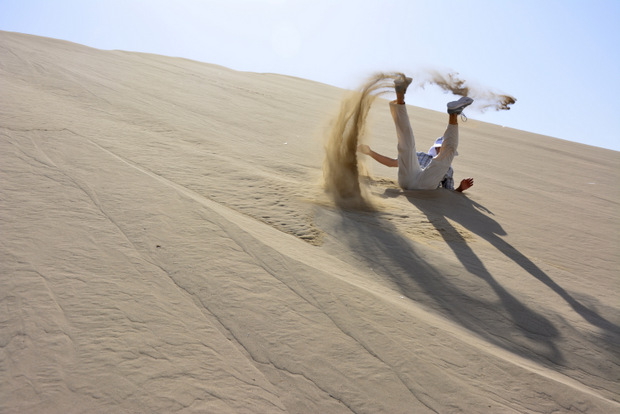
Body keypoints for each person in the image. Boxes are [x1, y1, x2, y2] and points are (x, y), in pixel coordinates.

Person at [358, 75, 475, 192]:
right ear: (435, 148)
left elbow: (449, 193)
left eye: (442, 147)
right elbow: (392, 163)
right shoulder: (420, 155)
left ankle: (453, 113)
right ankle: (400, 94)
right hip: (407, 179)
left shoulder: (447, 168)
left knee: (448, 155)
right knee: (407, 144)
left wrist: (460, 188)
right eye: (440, 147)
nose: (441, 149)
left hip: (425, 185)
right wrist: (370, 152)